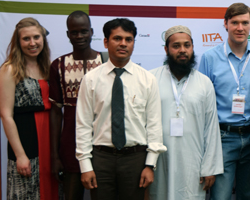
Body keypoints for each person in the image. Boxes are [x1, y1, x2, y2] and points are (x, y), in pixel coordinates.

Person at [75, 18, 166, 200]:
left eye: (128, 39)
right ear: (106, 42)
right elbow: (83, 125)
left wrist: (150, 165)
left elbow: (154, 125)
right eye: (117, 38)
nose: (123, 44)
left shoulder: (147, 80)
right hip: (101, 159)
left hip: (135, 159)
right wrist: (85, 166)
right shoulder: (91, 79)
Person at [199, 3, 250, 200]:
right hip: (222, 138)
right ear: (225, 24)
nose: (240, 28)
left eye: (245, 23)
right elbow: (202, 102)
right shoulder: (209, 58)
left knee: (249, 196)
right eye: (235, 23)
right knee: (220, 197)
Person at [149, 25, 223, 200]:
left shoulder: (204, 83)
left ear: (192, 48)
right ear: (166, 49)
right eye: (176, 46)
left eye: (187, 45)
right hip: (159, 162)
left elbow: (211, 128)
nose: (182, 50)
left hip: (193, 163)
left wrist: (209, 168)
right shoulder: (151, 79)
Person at [0, 17, 59, 199]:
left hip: (50, 141)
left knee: (53, 191)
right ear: (18, 42)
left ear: (43, 39)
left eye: (36, 37)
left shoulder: (49, 68)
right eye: (26, 39)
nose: (32, 43)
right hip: (26, 144)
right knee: (26, 193)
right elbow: (6, 115)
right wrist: (20, 155)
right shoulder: (9, 70)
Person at [49, 11, 104, 200]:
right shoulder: (58, 65)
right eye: (74, 32)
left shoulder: (106, 62)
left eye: (84, 31)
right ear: (68, 34)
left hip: (102, 146)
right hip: (70, 146)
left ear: (92, 32)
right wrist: (55, 156)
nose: (79, 36)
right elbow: (55, 113)